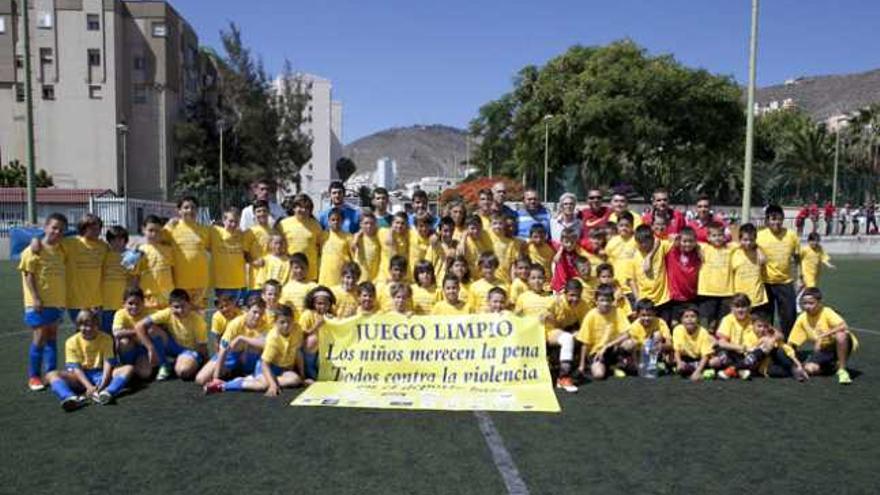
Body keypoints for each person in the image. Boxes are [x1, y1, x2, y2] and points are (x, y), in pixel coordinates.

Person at [204, 304, 304, 396]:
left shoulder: (297, 330)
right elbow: (265, 364)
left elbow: (298, 352)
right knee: (262, 386)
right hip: (266, 368)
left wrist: (302, 376)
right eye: (282, 322)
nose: (286, 325)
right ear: (275, 323)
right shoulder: (273, 338)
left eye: (289, 322)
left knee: (295, 380)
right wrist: (272, 385)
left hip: (283, 370)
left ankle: (250, 380)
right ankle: (224, 386)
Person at [46, 309, 134, 411]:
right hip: (80, 377)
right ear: (78, 326)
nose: (87, 328)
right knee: (51, 374)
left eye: (91, 325)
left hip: (101, 374)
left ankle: (108, 392)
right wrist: (89, 387)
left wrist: (103, 384)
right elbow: (76, 368)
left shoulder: (106, 338)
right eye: (83, 325)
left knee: (128, 368)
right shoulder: (71, 341)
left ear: (97, 325)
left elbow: (108, 362)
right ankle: (69, 397)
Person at [20, 213, 68, 391]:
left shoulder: (61, 250)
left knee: (52, 337)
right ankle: (33, 376)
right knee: (39, 338)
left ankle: (50, 373)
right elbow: (28, 275)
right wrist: (36, 298)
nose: (57, 232)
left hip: (56, 303)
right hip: (37, 304)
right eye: (54, 227)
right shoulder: (34, 249)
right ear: (46, 227)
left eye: (61, 230)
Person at [788, 287, 858, 384]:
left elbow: (843, 326)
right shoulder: (802, 319)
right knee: (810, 368)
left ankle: (842, 370)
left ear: (819, 302)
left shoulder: (827, 311)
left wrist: (822, 336)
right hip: (824, 350)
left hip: (840, 344)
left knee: (841, 335)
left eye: (811, 303)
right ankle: (833, 367)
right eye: (804, 303)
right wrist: (794, 362)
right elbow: (792, 343)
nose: (807, 306)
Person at [136, 288, 208, 381]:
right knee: (152, 330)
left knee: (183, 371)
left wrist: (205, 362)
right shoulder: (167, 313)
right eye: (176, 307)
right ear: (170, 307)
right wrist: (150, 348)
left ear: (189, 304)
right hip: (173, 346)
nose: (180, 310)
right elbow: (139, 325)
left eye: (183, 306)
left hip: (189, 350)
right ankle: (164, 365)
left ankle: (180, 362)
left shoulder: (198, 320)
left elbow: (202, 346)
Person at [197, 297, 269, 386]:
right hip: (232, 354)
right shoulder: (236, 323)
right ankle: (233, 371)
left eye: (261, 313)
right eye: (255, 312)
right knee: (201, 379)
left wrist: (242, 338)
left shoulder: (266, 324)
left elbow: (267, 345)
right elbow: (223, 348)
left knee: (251, 343)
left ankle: (245, 374)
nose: (258, 316)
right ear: (247, 310)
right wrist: (216, 378)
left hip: (250, 357)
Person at [576, 284, 636, 380]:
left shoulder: (618, 311)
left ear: (612, 300)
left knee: (631, 343)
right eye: (602, 300)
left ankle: (626, 362)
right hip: (597, 352)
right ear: (596, 301)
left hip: (612, 348)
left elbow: (627, 334)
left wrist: (608, 346)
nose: (605, 303)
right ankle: (611, 367)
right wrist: (581, 365)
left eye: (608, 300)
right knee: (598, 375)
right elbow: (584, 343)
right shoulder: (590, 316)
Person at [756, 205, 800, 336]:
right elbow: (748, 248)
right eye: (773, 219)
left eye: (779, 219)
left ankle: (788, 346)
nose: (776, 222)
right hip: (765, 283)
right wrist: (758, 251)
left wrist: (800, 277)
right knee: (765, 317)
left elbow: (797, 258)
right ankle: (767, 347)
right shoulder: (759, 236)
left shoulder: (791, 235)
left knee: (789, 317)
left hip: (785, 282)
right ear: (767, 220)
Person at [165, 196, 211, 308]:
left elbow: (214, 248)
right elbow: (155, 243)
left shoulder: (205, 230)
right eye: (186, 207)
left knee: (198, 319)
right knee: (181, 318)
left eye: (193, 208)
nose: (190, 211)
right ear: (179, 210)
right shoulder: (171, 229)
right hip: (180, 283)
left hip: (200, 283)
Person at [548, 279, 589, 392]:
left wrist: (579, 332)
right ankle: (563, 376)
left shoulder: (583, 304)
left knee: (577, 337)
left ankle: (571, 372)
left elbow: (586, 325)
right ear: (564, 293)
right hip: (547, 331)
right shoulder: (554, 302)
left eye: (578, 296)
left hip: (562, 331)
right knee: (567, 338)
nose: (575, 299)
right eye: (571, 295)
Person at [132, 215, 175, 309]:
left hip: (167, 299)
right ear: (143, 230)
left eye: (157, 231)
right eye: (151, 230)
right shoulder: (140, 251)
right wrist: (135, 295)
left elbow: (173, 272)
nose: (154, 234)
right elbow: (136, 276)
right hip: (148, 300)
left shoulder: (169, 250)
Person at [697, 222, 734, 330]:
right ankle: (706, 343)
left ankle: (721, 344)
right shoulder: (703, 248)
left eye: (720, 235)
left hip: (726, 293)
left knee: (723, 323)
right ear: (708, 237)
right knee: (706, 323)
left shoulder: (731, 248)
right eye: (714, 235)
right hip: (707, 292)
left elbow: (748, 243)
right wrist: (697, 248)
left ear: (724, 236)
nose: (717, 238)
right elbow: (686, 240)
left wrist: (758, 250)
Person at [277, 193, 323, 282]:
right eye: (300, 207)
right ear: (294, 208)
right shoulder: (283, 224)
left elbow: (319, 247)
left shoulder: (316, 225)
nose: (303, 210)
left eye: (307, 208)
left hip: (310, 269)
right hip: (289, 268)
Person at [630, 225, 672, 321]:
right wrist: (638, 299)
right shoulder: (634, 256)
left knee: (664, 331)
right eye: (640, 242)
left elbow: (675, 241)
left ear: (652, 239)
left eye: (646, 242)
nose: (643, 245)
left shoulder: (661, 247)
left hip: (663, 300)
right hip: (645, 303)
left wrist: (649, 256)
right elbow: (632, 281)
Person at [112, 287, 154, 380]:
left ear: (143, 303)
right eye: (130, 303)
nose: (134, 307)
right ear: (124, 304)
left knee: (145, 374)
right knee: (124, 341)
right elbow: (116, 333)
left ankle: (135, 368)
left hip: (143, 350)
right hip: (129, 348)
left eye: (137, 304)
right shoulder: (120, 314)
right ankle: (127, 365)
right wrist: (139, 331)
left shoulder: (148, 311)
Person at [663, 226, 702, 325]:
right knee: (674, 324)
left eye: (691, 241)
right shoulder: (673, 252)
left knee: (691, 324)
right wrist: (674, 238)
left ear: (695, 242)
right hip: (675, 297)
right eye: (684, 241)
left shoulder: (698, 254)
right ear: (679, 241)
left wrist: (698, 248)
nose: (688, 244)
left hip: (692, 296)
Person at [210, 207, 247, 304]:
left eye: (236, 222)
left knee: (237, 312)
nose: (233, 224)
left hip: (239, 282)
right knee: (225, 311)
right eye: (230, 221)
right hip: (222, 283)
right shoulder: (214, 232)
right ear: (223, 220)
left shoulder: (241, 234)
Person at [299, 286, 336, 382]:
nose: (322, 307)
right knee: (313, 340)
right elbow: (301, 336)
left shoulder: (332, 315)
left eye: (325, 304)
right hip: (309, 350)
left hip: (324, 351)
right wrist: (317, 325)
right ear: (313, 303)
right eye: (319, 303)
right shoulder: (307, 314)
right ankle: (309, 371)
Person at [102, 226, 134, 333]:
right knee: (107, 333)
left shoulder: (131, 256)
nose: (117, 243)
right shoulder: (105, 255)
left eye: (120, 239)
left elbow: (134, 279)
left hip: (123, 304)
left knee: (123, 334)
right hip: (106, 303)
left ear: (125, 240)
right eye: (113, 240)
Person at [242, 200, 276, 299]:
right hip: (256, 278)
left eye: (264, 211)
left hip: (271, 275)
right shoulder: (250, 232)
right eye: (258, 211)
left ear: (268, 212)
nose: (262, 214)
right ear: (254, 214)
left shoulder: (274, 231)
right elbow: (244, 252)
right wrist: (253, 261)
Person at [671, 306, 715, 381]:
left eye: (693, 316)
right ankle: (689, 368)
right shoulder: (677, 330)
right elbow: (676, 351)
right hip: (685, 357)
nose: (689, 319)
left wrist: (697, 372)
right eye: (686, 317)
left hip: (699, 358)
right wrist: (679, 363)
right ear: (681, 320)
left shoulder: (703, 332)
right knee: (671, 359)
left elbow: (705, 355)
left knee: (715, 362)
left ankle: (696, 369)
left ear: (698, 319)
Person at [318, 208, 353, 287]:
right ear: (328, 221)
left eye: (338, 219)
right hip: (324, 278)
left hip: (341, 278)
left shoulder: (349, 237)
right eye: (333, 220)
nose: (336, 222)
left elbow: (354, 258)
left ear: (343, 221)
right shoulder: (323, 236)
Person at [351, 210, 382, 282]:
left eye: (372, 223)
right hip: (360, 278)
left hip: (375, 279)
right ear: (360, 224)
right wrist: (358, 235)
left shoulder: (379, 237)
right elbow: (353, 247)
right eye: (366, 223)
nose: (369, 226)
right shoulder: (358, 237)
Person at [379, 212, 410, 282]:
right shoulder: (382, 232)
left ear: (406, 224)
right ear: (392, 223)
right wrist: (357, 235)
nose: (399, 226)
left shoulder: (409, 235)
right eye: (397, 223)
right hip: (384, 276)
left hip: (401, 276)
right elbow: (367, 229)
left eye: (402, 223)